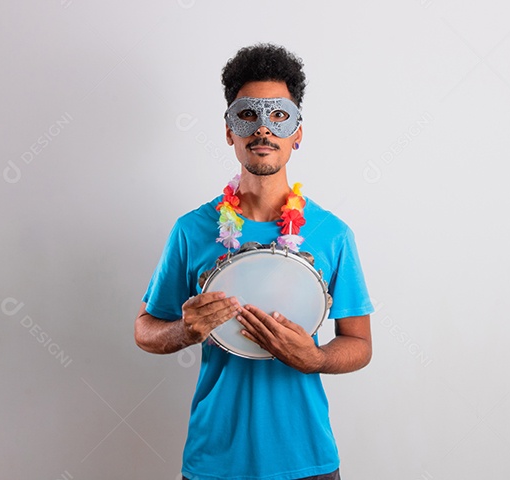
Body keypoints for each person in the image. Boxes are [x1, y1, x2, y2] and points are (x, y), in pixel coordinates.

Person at [134, 43, 374, 480]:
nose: (264, 129)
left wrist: (315, 359)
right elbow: (145, 330)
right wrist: (184, 330)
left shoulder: (333, 234)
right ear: (229, 131)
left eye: (279, 116)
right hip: (216, 462)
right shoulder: (191, 230)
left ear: (298, 132)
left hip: (307, 459)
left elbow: (359, 345)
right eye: (248, 115)